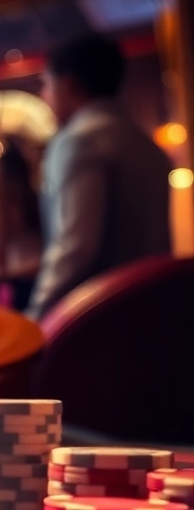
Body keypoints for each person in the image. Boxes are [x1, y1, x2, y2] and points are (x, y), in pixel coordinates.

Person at [27, 34, 172, 319]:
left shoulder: (79, 141)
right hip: (153, 313)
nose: (44, 95)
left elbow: (76, 247)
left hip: (98, 323)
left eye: (45, 84)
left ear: (68, 83)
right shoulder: (147, 145)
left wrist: (36, 316)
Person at [0, 136, 44, 311]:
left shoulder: (0, 202)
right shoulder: (36, 198)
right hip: (40, 275)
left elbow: (1, 248)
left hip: (19, 280)